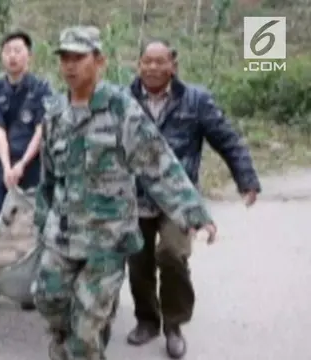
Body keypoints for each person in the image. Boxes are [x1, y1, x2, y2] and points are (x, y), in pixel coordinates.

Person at [31, 26, 218, 360]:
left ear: (99, 61)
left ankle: (85, 341)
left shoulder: (122, 110)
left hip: (107, 239)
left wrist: (195, 213)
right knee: (47, 298)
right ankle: (70, 339)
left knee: (85, 332)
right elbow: (48, 176)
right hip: (62, 235)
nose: (70, 66)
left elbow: (159, 164)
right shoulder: (55, 112)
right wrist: (41, 221)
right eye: (65, 58)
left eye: (79, 57)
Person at [125, 39, 261, 359]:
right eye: (148, 61)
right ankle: (147, 319)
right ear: (138, 65)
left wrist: (246, 179)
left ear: (174, 65)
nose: (154, 68)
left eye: (161, 61)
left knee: (172, 255)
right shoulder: (123, 100)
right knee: (138, 261)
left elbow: (226, 139)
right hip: (136, 195)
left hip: (178, 199)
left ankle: (174, 324)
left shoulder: (196, 100)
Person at [0, 30, 53, 311]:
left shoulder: (43, 89)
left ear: (29, 56)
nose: (13, 56)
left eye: (18, 50)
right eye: (7, 50)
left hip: (33, 169)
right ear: (1, 56)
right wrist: (7, 167)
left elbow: (42, 131)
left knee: (30, 230)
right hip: (0, 168)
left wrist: (22, 165)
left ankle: (26, 285)